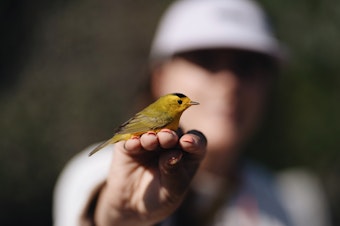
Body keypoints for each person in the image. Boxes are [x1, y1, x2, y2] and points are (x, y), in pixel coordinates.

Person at [53, 0, 332, 225]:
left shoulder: (281, 201)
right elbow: (100, 202)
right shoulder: (103, 168)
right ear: (160, 77)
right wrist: (120, 216)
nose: (229, 83)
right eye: (206, 60)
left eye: (247, 66)